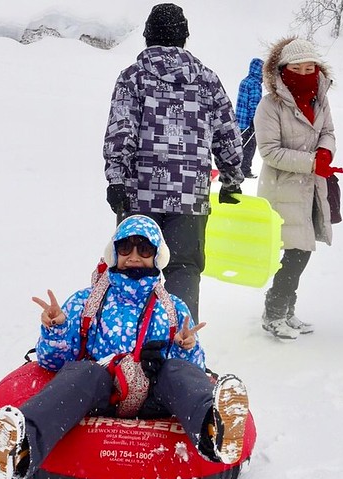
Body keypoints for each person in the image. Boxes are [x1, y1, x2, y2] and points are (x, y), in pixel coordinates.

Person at [0, 215, 250, 479]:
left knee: (177, 369)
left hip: (155, 397)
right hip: (99, 393)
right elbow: (53, 364)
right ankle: (19, 445)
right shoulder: (86, 302)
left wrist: (184, 349)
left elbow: (193, 373)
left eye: (144, 249)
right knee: (84, 371)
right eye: (125, 248)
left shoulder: (173, 309)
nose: (134, 256)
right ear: (114, 253)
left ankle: (216, 430)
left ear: (157, 256)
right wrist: (56, 330)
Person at [103, 3, 244, 323]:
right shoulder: (208, 80)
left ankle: (129, 342)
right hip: (189, 194)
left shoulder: (132, 78)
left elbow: (120, 130)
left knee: (135, 264)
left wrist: (115, 178)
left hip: (140, 193)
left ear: (147, 36)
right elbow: (227, 132)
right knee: (183, 267)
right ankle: (180, 345)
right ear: (185, 37)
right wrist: (232, 177)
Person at [254, 37, 343, 341]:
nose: (306, 73)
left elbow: (329, 132)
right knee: (293, 254)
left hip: (311, 188)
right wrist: (311, 162)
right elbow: (269, 152)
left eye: (310, 67)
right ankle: (274, 313)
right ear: (283, 70)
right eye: (298, 68)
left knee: (302, 252)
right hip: (282, 190)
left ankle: (286, 310)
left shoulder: (320, 98)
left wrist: (325, 154)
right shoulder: (270, 105)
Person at [235, 58, 264, 179]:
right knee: (250, 146)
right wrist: (254, 120)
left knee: (240, 146)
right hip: (248, 122)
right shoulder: (255, 84)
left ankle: (235, 168)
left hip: (240, 120)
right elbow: (254, 104)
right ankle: (245, 170)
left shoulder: (245, 81)